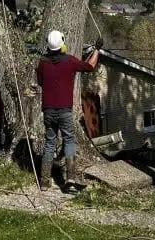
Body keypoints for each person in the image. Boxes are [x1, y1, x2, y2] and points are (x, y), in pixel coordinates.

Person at [36, 29, 100, 191]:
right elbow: (90, 66)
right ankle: (70, 175)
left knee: (50, 143)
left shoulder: (43, 63)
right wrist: (97, 50)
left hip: (49, 110)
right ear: (62, 44)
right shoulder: (70, 61)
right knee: (69, 140)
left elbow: (41, 82)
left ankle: (44, 181)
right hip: (65, 110)